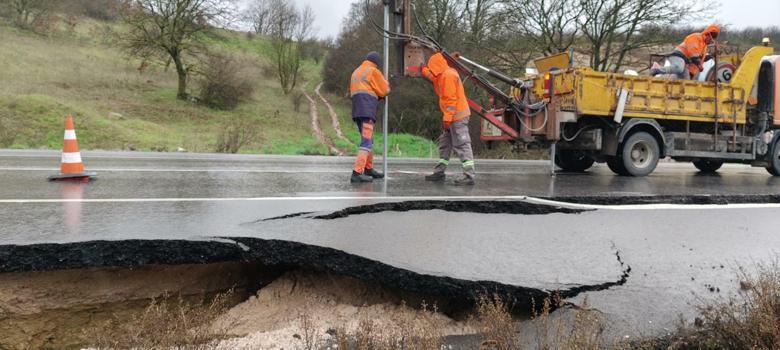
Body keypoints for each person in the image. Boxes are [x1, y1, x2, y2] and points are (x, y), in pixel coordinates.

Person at [421, 52, 476, 185]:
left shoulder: (448, 76)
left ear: (437, 66)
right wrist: (423, 69)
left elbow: (451, 101)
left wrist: (447, 119)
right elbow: (432, 76)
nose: (432, 71)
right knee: (445, 145)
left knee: (462, 145)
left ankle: (469, 175)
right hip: (451, 117)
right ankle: (440, 172)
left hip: (457, 116)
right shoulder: (441, 75)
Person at [349, 51, 390, 183]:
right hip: (367, 110)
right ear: (376, 63)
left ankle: (368, 168)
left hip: (358, 110)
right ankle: (357, 172)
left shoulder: (356, 71)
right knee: (366, 141)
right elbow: (385, 90)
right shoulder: (373, 71)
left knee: (368, 140)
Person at [651, 24, 720, 79]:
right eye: (711, 39)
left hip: (684, 61)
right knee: (679, 68)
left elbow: (702, 58)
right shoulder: (696, 38)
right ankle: (657, 69)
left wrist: (712, 55)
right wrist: (699, 65)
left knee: (686, 80)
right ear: (707, 35)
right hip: (677, 55)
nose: (711, 42)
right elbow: (694, 56)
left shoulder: (704, 46)